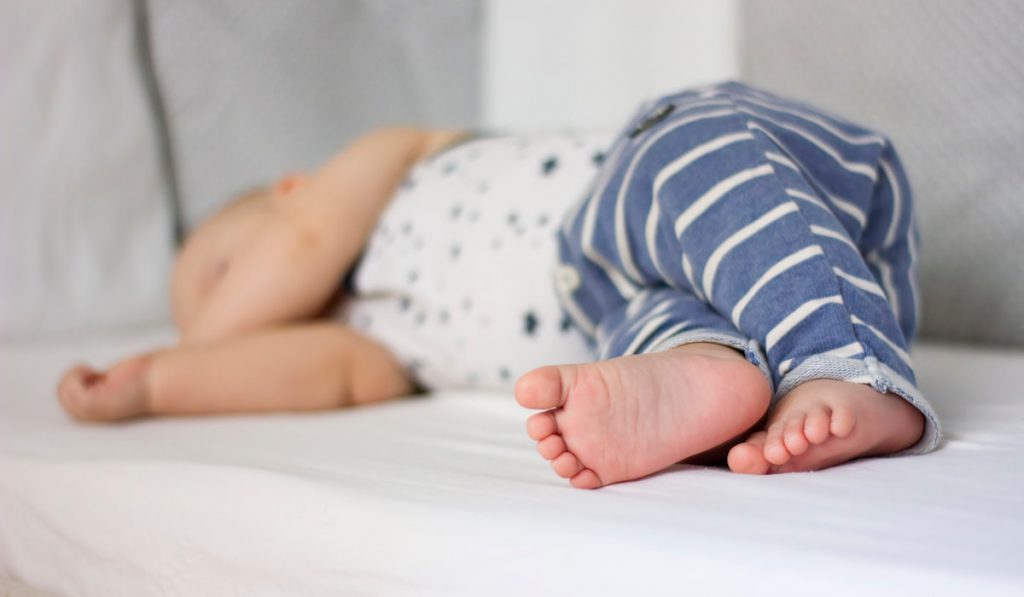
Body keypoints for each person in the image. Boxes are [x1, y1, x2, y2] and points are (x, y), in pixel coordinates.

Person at [57, 81, 940, 487]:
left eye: (218, 274)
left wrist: (198, 336)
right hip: (622, 295)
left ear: (290, 188)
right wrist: (156, 385)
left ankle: (852, 364)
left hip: (675, 187)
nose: (226, 319)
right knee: (653, 334)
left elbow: (307, 237)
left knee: (693, 146)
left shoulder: (387, 164)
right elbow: (311, 376)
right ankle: (716, 375)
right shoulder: (378, 345)